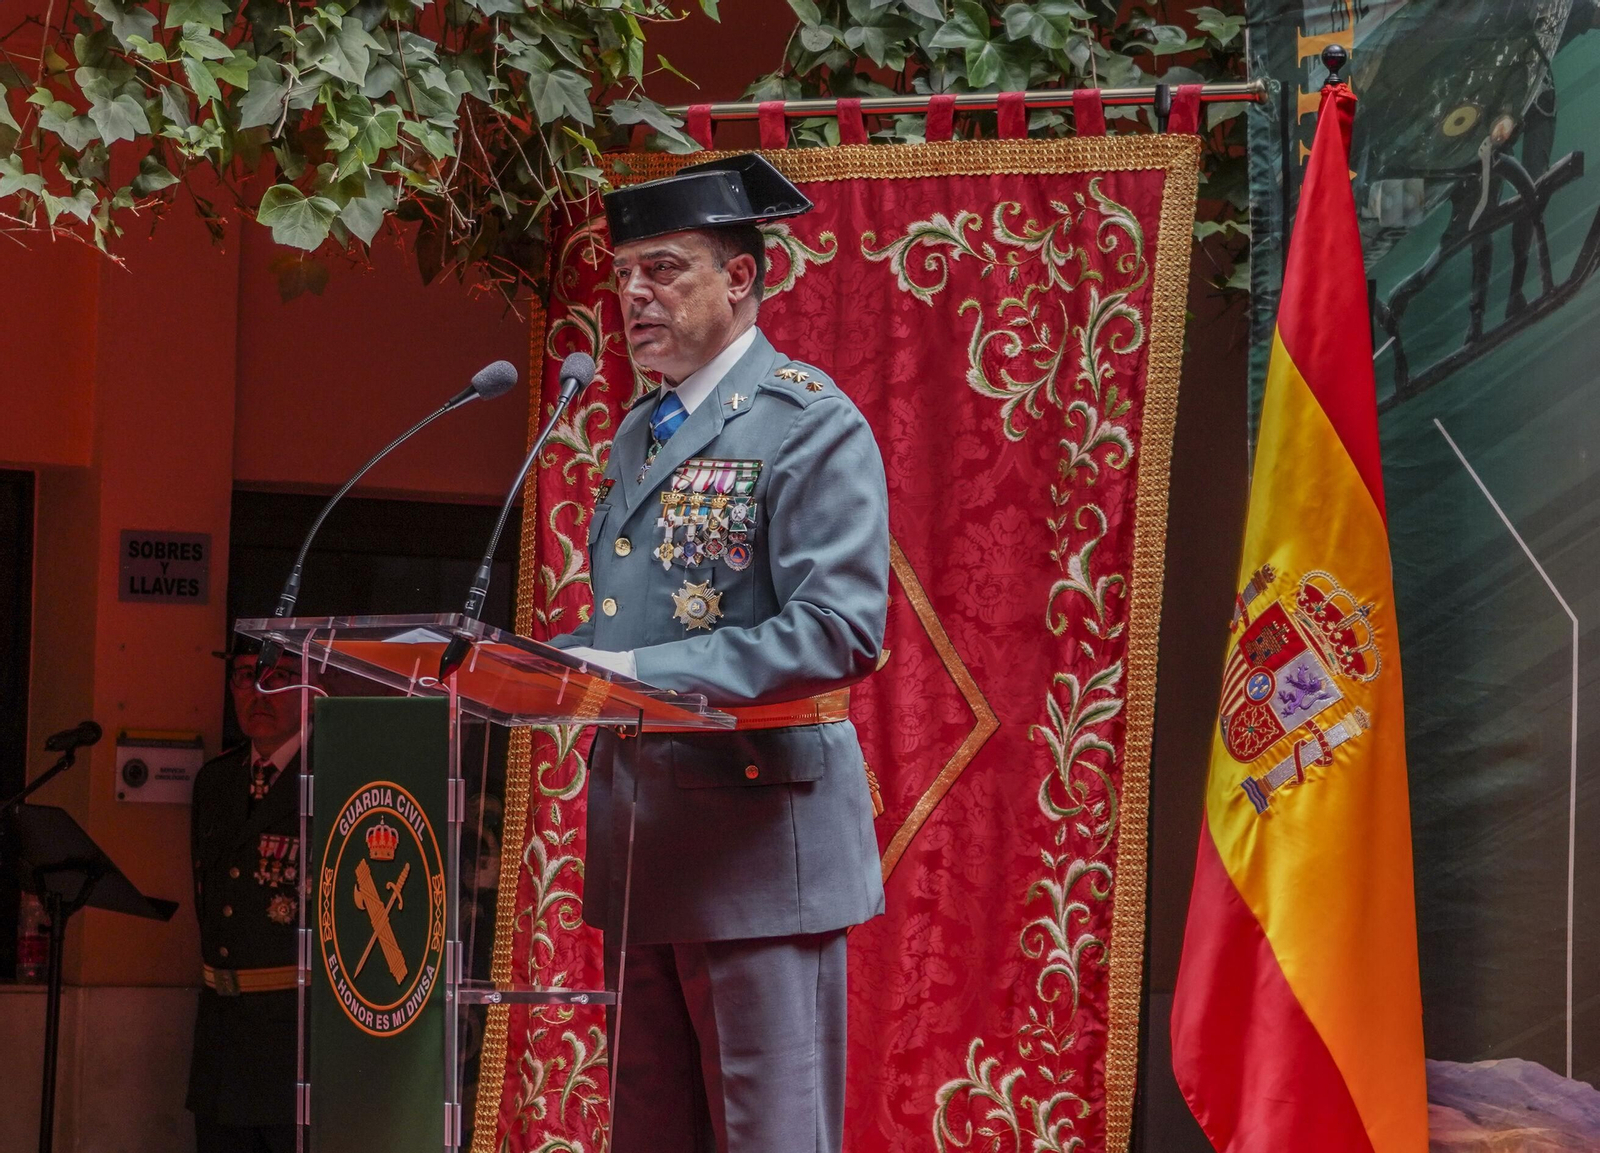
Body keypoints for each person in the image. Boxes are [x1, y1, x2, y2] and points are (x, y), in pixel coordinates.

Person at [548, 154, 889, 1153]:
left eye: (663, 270)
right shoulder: (636, 433)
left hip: (754, 852)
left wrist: (641, 676)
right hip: (643, 848)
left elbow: (837, 628)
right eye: (621, 277)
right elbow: (635, 630)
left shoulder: (805, 421)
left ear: (739, 278)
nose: (634, 297)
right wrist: (542, 660)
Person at [185, 636, 308, 1153]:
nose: (258, 693)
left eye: (277, 678)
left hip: (292, 1040)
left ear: (309, 689)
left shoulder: (328, 779)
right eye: (244, 677)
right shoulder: (216, 782)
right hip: (220, 1031)